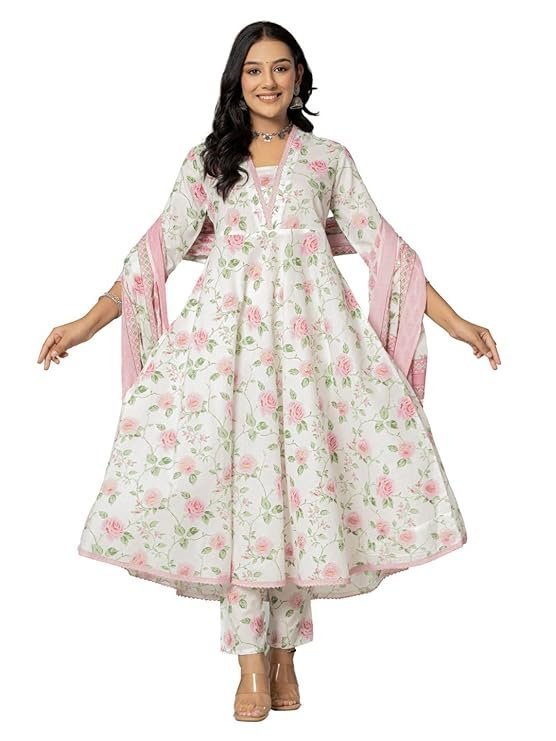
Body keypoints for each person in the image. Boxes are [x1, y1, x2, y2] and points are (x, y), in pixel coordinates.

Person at [37, 20, 500, 722]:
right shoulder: (208, 162)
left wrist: (459, 323)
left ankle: (286, 654)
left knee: (298, 490)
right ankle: (251, 663)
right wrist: (85, 321)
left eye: (281, 68)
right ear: (237, 80)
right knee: (240, 497)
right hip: (227, 356)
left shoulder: (328, 160)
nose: (268, 82)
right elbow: (153, 256)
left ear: (299, 77)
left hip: (313, 354)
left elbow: (387, 252)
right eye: (254, 70)